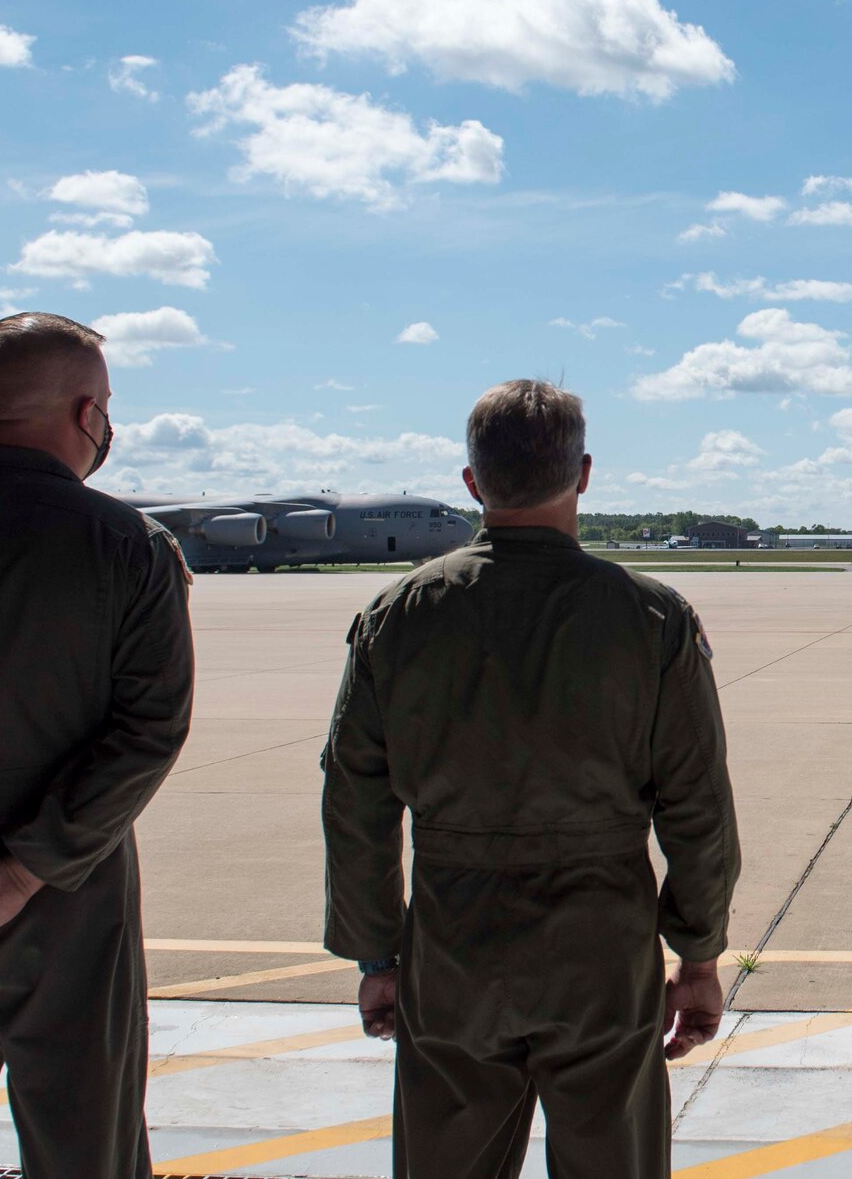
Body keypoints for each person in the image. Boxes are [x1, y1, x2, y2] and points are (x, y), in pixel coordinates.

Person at [321, 378, 740, 1178]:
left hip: (452, 947)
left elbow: (355, 803)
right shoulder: (653, 618)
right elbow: (697, 806)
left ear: (473, 483)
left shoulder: (397, 615)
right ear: (582, 474)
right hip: (601, 950)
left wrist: (376, 953)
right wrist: (699, 954)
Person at [0, 313, 194, 1179]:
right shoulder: (127, 544)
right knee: (85, 1148)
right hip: (65, 902)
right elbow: (148, 732)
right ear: (88, 410)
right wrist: (21, 871)